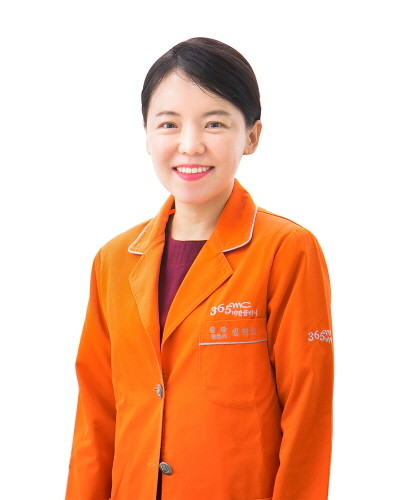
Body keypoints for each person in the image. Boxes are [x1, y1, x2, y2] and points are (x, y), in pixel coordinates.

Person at [65, 37, 334, 500]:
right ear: (147, 135)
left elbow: (308, 416)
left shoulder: (287, 251)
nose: (190, 146)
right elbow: (96, 416)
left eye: (214, 123)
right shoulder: (113, 260)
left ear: (251, 136)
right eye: (168, 124)